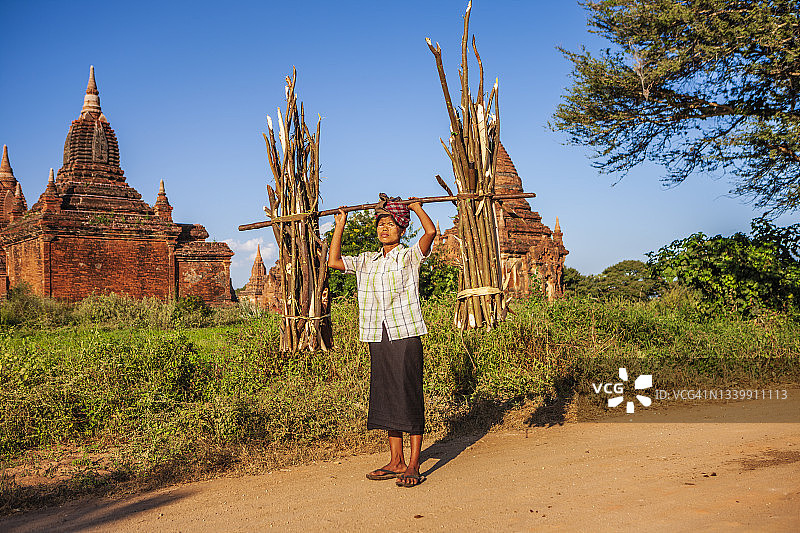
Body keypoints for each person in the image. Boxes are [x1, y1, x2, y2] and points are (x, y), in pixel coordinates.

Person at [328, 194, 436, 487]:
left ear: (401, 229)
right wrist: (340, 224)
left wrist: (415, 208)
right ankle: (395, 460)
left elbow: (430, 233)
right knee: (387, 394)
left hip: (405, 332)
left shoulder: (409, 257)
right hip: (377, 334)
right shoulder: (367, 261)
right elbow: (334, 261)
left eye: (390, 225)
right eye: (380, 225)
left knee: (408, 393)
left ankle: (413, 464)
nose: (384, 229)